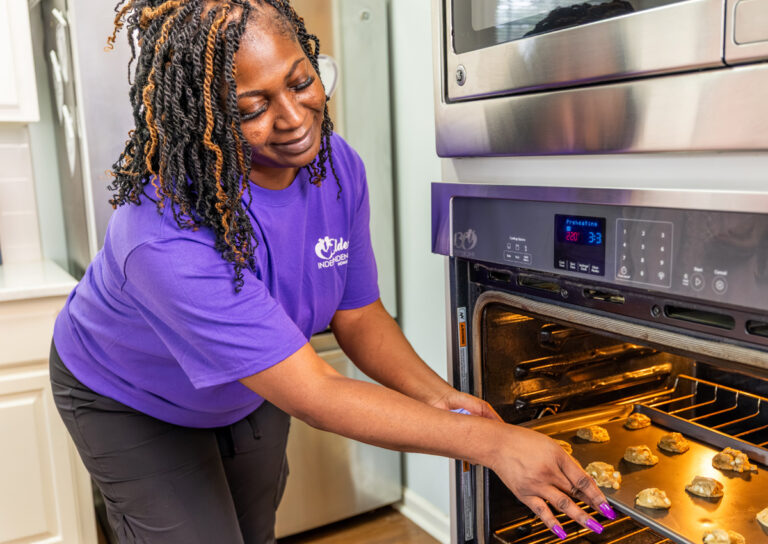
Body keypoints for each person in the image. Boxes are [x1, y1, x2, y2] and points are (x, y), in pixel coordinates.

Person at [50, 1, 616, 542]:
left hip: (251, 385)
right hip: (131, 396)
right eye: (251, 109)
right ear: (205, 119)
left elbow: (359, 316)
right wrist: (490, 444)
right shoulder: (162, 233)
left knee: (253, 531)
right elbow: (315, 394)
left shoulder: (335, 166)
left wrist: (440, 398)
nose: (295, 118)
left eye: (301, 81)